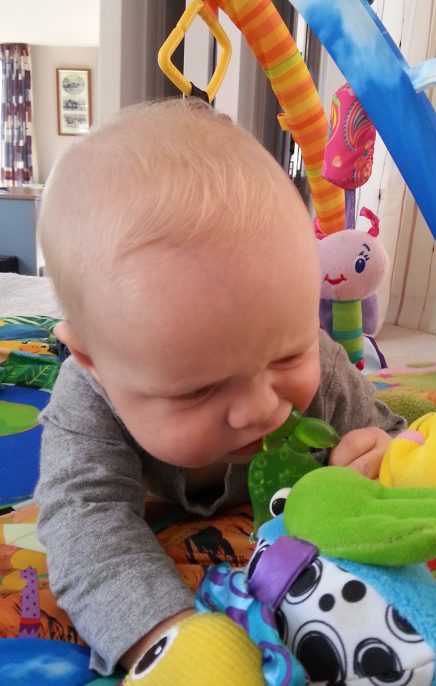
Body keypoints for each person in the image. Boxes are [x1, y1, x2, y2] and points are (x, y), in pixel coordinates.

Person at [34, 98, 405, 676]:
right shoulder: (87, 399)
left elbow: (397, 439)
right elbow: (85, 522)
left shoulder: (323, 364)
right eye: (198, 390)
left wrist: (387, 457)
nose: (261, 407)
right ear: (93, 362)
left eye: (287, 355)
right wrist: (170, 640)